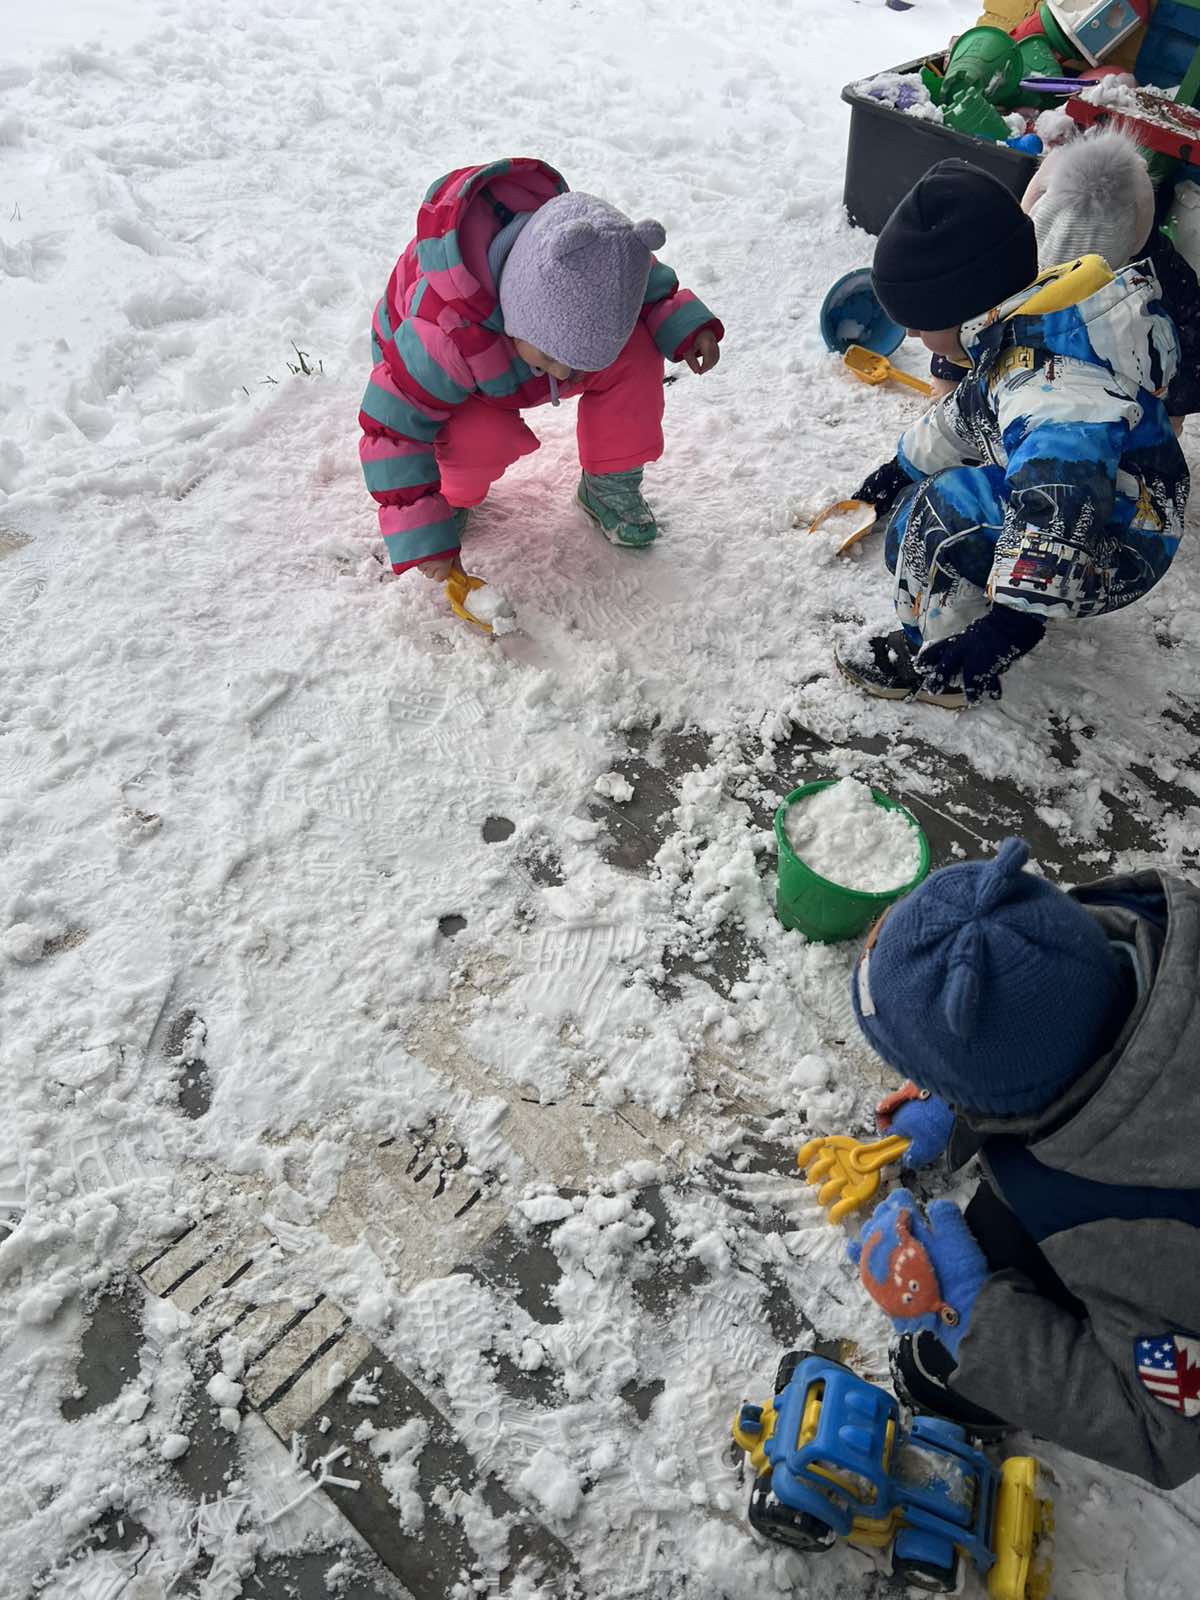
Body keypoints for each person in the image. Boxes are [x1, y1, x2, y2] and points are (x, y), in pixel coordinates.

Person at [841, 837, 1200, 1489]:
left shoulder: (1146, 1231)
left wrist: (963, 1310)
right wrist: (958, 1099)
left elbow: (1165, 1431)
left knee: (988, 1272)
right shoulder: (1124, 937)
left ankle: (968, 1392)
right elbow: (1058, 1028)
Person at [835, 158, 1188, 708]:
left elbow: (1061, 504)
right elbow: (966, 414)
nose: (911, 335)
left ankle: (935, 663)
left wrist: (1010, 626)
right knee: (913, 522)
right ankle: (989, 582)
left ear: (961, 304)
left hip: (1121, 536)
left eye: (918, 321)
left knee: (943, 508)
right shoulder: (1023, 330)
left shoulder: (1058, 388)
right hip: (1096, 500)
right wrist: (897, 470)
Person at [358, 159, 723, 579]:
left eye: (574, 364)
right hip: (446, 374)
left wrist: (685, 323)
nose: (563, 375)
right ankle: (451, 495)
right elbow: (394, 429)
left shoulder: (594, 259)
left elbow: (640, 284)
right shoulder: (443, 331)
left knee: (636, 351)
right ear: (521, 313)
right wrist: (422, 533)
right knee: (479, 437)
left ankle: (610, 484)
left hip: (511, 352)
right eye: (552, 359)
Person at [926, 128, 1199, 432]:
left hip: (1120, 375)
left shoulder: (1160, 274)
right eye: (1050, 276)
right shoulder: (1005, 263)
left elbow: (1193, 334)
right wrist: (949, 378)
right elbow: (966, 318)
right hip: (1025, 371)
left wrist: (1173, 410)